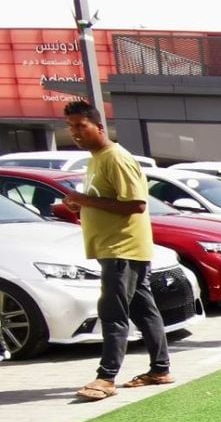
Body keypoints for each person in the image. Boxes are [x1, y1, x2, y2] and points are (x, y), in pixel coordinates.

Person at [62, 100, 173, 401]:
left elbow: (136, 205)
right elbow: (104, 200)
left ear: (99, 127)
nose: (75, 132)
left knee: (112, 312)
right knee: (142, 309)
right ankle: (160, 369)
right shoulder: (96, 158)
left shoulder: (115, 157)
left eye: (80, 126)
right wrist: (78, 203)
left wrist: (84, 200)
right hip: (116, 248)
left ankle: (106, 377)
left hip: (122, 249)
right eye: (71, 127)